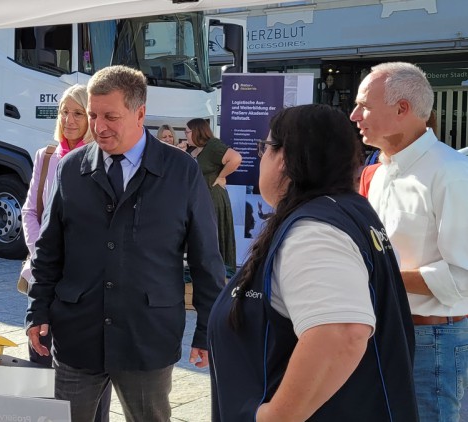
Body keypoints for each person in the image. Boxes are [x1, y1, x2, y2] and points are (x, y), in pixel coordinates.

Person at [26, 65, 224, 422]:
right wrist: (37, 310)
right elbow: (49, 250)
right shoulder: (71, 168)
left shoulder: (181, 171)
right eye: (94, 115)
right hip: (78, 335)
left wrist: (206, 328)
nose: (99, 127)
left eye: (111, 117)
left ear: (140, 113)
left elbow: (205, 256)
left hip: (146, 337)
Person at [208, 104, 418, 421]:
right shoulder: (346, 209)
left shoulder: (313, 232)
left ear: (284, 160)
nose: (262, 156)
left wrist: (276, 416)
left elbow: (343, 331)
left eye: (265, 147)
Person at [351, 62, 468, 421]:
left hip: (431, 339)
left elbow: (462, 277)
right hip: (386, 330)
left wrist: (379, 276)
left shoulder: (451, 172)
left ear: (402, 109)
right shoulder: (381, 172)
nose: (354, 115)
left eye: (365, 105)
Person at [20, 84, 112, 421]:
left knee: (88, 373)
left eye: (77, 112)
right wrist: (41, 254)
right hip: (45, 280)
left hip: (83, 286)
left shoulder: (101, 160)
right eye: (64, 111)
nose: (69, 119)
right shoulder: (45, 157)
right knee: (40, 364)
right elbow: (31, 211)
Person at [185, 118, 241, 278]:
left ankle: (219, 274)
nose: (185, 135)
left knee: (214, 235)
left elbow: (236, 158)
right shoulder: (193, 150)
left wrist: (221, 176)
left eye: (187, 131)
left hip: (213, 200)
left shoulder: (212, 146)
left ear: (197, 131)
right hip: (197, 201)